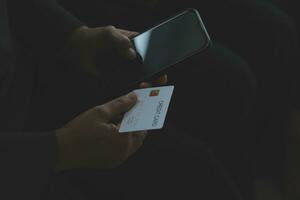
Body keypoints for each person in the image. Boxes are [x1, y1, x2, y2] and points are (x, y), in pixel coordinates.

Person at [1, 0, 246, 200]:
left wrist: (75, 36)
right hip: (22, 151)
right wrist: (57, 150)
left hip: (33, 69)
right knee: (196, 173)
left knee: (227, 79)